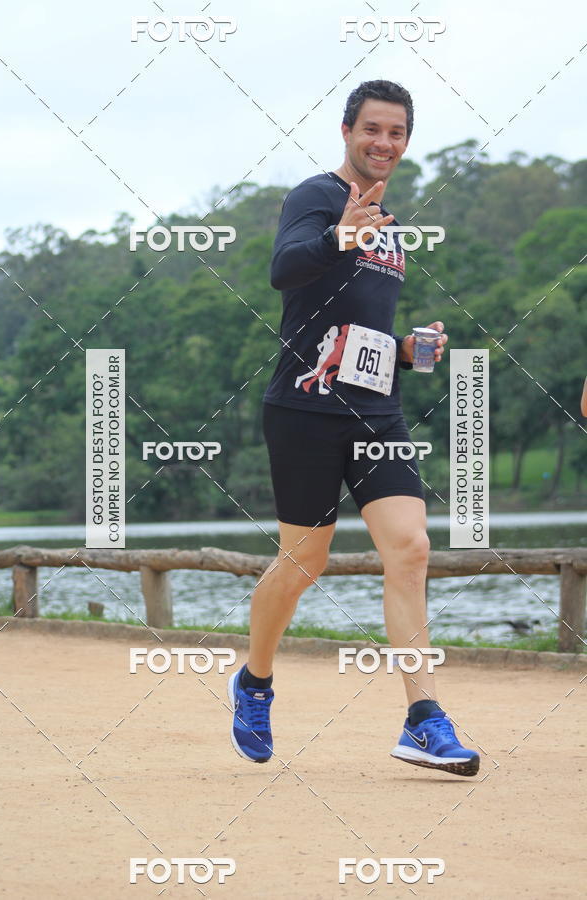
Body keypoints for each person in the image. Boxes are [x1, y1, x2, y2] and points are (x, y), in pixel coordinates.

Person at [227, 79, 480, 777]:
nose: (383, 142)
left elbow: (357, 330)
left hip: (376, 411)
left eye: (396, 132)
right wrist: (340, 234)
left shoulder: (390, 227)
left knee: (411, 548)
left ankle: (423, 719)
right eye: (372, 128)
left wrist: (406, 349)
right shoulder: (315, 197)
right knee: (303, 563)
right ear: (346, 131)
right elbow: (284, 270)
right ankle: (254, 681)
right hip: (304, 409)